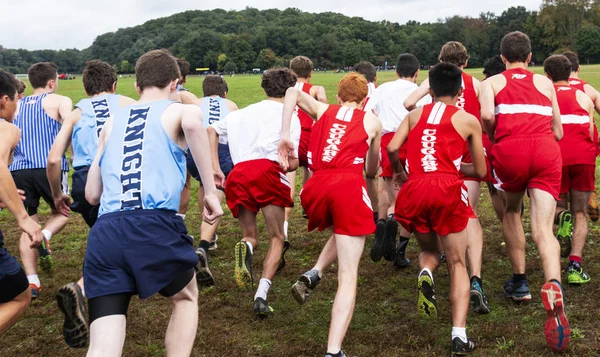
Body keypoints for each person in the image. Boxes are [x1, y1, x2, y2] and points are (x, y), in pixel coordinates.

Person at [83, 49, 223, 357]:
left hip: (105, 233)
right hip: (153, 224)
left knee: (103, 341)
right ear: (175, 84)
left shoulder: (110, 123)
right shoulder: (176, 110)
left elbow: (92, 195)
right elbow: (193, 124)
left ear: (136, 86)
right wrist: (210, 192)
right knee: (186, 297)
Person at [480, 31, 570, 352]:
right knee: (544, 230)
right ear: (531, 57)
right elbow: (558, 130)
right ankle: (554, 284)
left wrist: (498, 135)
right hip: (546, 150)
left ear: (502, 57)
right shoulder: (546, 84)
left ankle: (520, 283)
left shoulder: (490, 83)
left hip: (510, 150)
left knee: (512, 210)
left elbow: (487, 116)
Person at [280, 72, 381, 357]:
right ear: (365, 100)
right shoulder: (372, 121)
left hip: (316, 187)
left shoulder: (323, 108)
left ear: (339, 97)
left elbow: (291, 93)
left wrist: (285, 135)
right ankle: (333, 350)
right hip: (348, 185)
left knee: (345, 228)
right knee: (348, 276)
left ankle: (316, 271)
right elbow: (372, 170)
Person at [389, 62, 485, 355]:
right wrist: (456, 165)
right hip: (447, 190)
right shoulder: (468, 119)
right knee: (457, 263)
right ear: (460, 90)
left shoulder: (415, 115)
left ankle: (426, 272)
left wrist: (399, 172)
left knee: (430, 250)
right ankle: (458, 334)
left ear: (429, 90)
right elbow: (480, 171)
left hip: (415, 189)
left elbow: (393, 148)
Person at [47, 60, 136, 348]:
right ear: (113, 85)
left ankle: (89, 297)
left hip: (83, 181)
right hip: (114, 174)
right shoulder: (126, 102)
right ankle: (85, 291)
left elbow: (53, 158)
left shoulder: (76, 112)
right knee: (125, 244)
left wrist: (58, 194)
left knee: (109, 240)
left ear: (85, 88)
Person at [403, 41, 491, 314]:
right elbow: (487, 113)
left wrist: (424, 114)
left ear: (440, 60)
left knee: (443, 219)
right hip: (466, 155)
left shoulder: (435, 84)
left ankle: (438, 265)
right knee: (469, 215)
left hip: (436, 156)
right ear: (465, 61)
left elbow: (408, 102)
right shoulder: (475, 82)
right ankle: (474, 278)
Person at [207, 68, 300, 316]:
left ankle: (246, 248)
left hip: (239, 174)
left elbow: (212, 130)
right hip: (268, 172)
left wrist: (216, 168)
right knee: (277, 237)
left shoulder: (241, 113)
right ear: (292, 90)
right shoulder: (290, 117)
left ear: (264, 87)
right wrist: (292, 164)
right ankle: (261, 294)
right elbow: (291, 161)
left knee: (251, 236)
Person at [9, 62, 72, 298]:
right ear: (52, 82)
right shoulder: (59, 100)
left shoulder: (16, 105)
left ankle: (32, 281)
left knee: (28, 222)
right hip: (49, 167)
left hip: (19, 171)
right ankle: (45, 236)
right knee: (62, 212)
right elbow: (69, 123)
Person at [365, 53, 430, 267]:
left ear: (396, 71)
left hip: (387, 141)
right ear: (417, 72)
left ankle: (382, 223)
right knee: (406, 196)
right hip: (411, 140)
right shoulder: (419, 91)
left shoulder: (383, 89)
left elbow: (369, 112)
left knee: (386, 189)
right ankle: (400, 249)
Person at [544, 55, 595, 285]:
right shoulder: (584, 96)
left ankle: (561, 219)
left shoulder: (544, 96)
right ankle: (575, 266)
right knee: (581, 213)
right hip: (583, 158)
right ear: (573, 72)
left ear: (547, 76)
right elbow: (592, 132)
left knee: (559, 207)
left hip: (555, 156)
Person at [0, 69, 42, 335]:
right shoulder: (7, 128)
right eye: (17, 100)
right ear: (4, 100)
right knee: (19, 296)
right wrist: (23, 217)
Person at [189, 75, 238, 287]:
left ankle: (210, 231)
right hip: (220, 149)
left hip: (194, 150)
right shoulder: (231, 105)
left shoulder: (196, 104)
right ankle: (204, 243)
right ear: (224, 92)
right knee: (217, 189)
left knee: (203, 184)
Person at [286, 56, 328, 261]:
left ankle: (284, 226)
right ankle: (308, 205)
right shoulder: (316, 88)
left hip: (292, 137)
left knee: (290, 176)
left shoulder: (286, 88)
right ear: (310, 72)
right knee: (311, 170)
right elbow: (325, 109)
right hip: (309, 137)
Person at [563, 51, 600, 223]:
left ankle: (563, 215)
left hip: (560, 144)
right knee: (582, 177)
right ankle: (589, 192)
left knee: (563, 186)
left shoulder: (551, 87)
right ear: (578, 68)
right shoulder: (587, 88)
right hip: (586, 144)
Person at [354, 61, 387, 224]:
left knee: (367, 176)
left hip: (361, 136)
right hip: (381, 135)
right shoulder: (381, 90)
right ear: (375, 76)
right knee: (379, 176)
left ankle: (374, 211)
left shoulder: (354, 91)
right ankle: (382, 213)